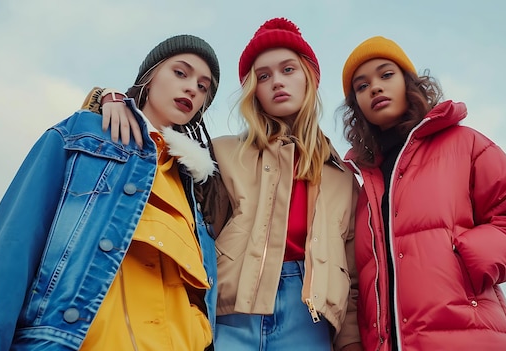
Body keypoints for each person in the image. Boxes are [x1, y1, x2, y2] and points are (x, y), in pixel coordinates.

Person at [88, 17, 363, 351]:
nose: (277, 82)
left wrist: (350, 343)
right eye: (263, 76)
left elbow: (352, 278)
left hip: (309, 319)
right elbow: (152, 155)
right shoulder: (218, 152)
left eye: (288, 69)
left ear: (309, 78)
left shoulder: (342, 177)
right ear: (254, 91)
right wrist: (109, 97)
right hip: (227, 313)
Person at [0, 34, 221, 351]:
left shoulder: (197, 189)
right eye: (180, 73)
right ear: (150, 76)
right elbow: (14, 244)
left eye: (203, 86)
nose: (191, 89)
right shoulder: (83, 134)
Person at [338, 36, 506, 350]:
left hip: (470, 336)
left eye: (386, 75)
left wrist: (466, 258)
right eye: (361, 86)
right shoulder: (362, 182)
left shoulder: (464, 144)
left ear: (409, 83)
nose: (375, 88)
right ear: (357, 105)